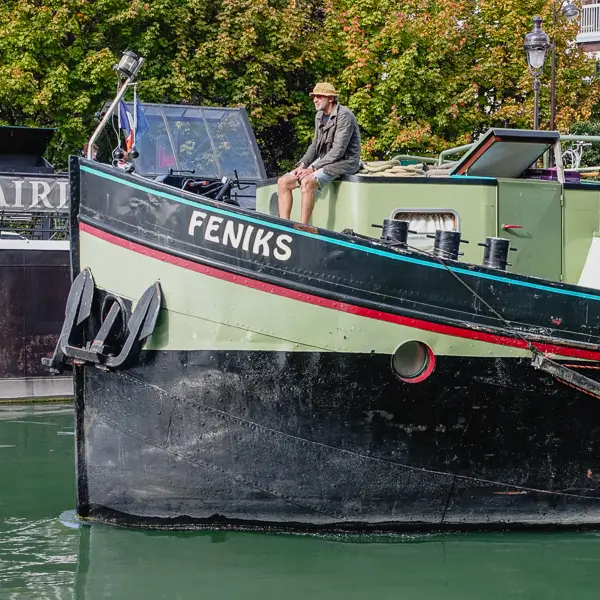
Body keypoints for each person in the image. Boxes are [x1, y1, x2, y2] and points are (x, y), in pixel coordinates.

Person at [278, 82, 361, 224]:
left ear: (331, 99)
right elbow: (315, 145)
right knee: (283, 182)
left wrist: (312, 169)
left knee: (307, 181)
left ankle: (303, 227)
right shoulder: (319, 116)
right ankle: (284, 225)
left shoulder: (344, 116)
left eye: (319, 96)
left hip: (345, 161)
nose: (315, 99)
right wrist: (303, 165)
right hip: (324, 160)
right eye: (314, 96)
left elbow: (338, 151)